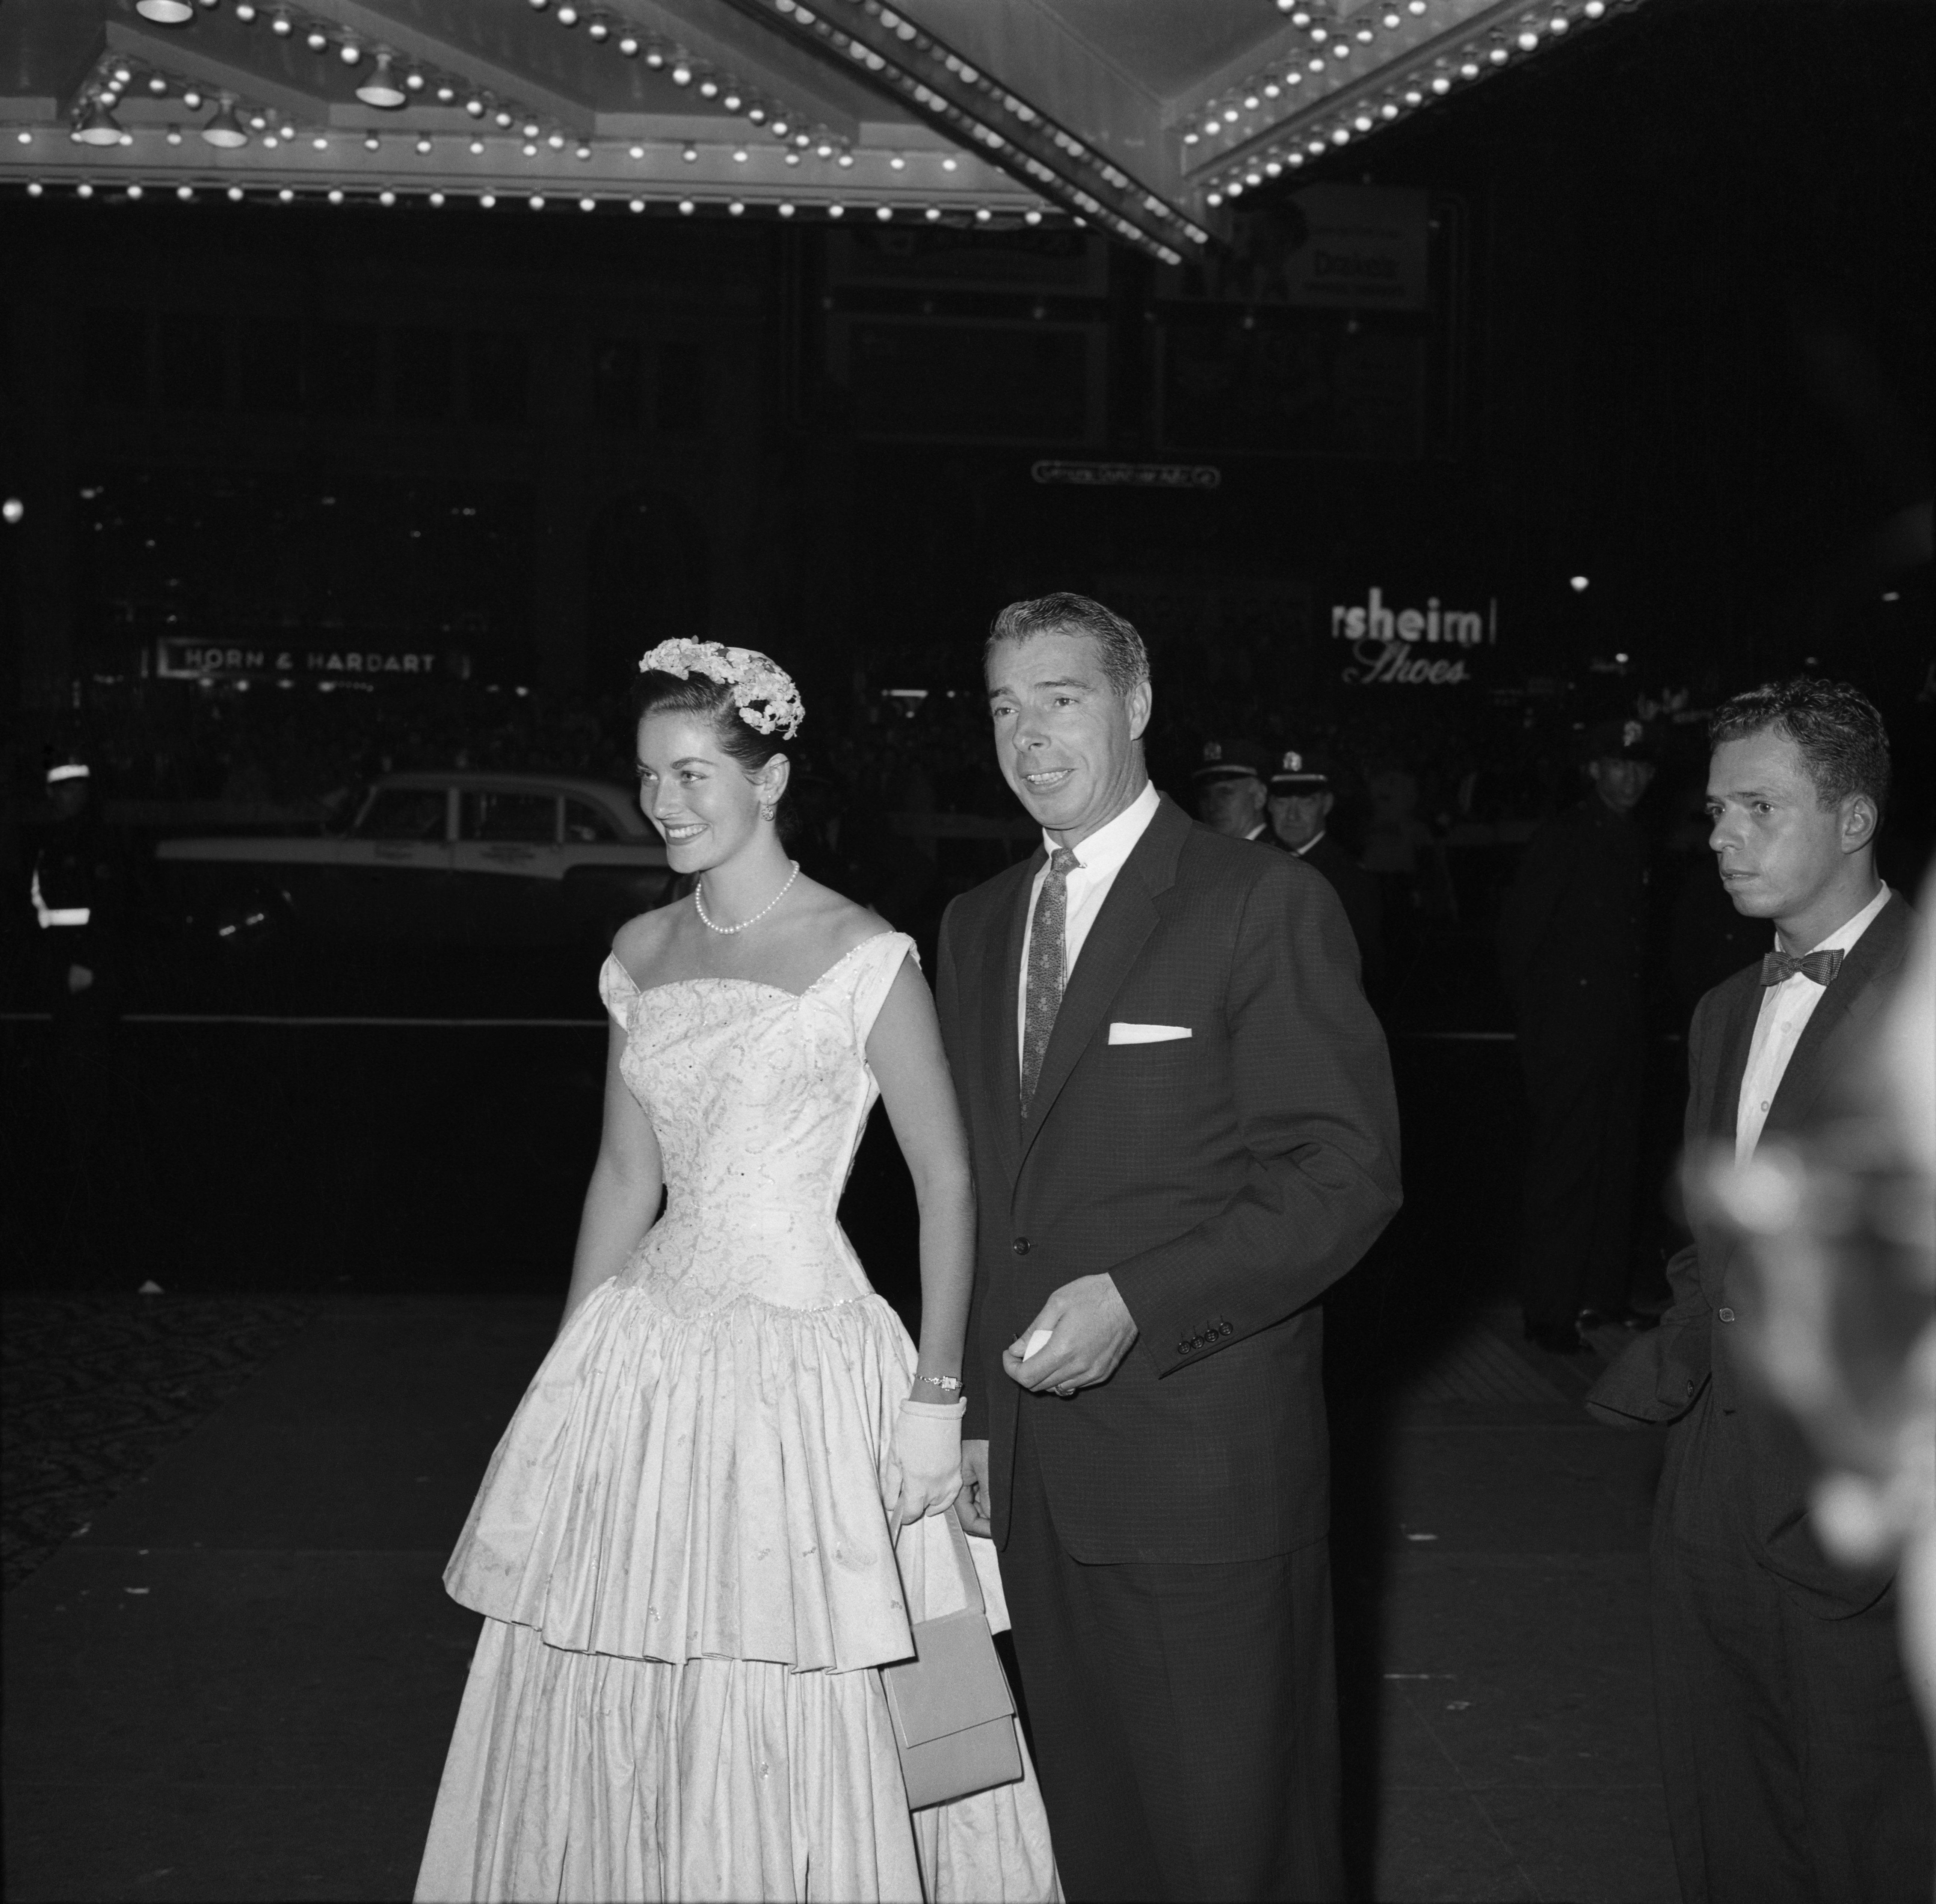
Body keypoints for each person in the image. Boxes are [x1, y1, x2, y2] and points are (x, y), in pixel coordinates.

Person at [416, 641, 1058, 1903]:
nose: (665, 800)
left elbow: (949, 1178)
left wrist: (939, 1393)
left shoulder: (859, 948)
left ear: (770, 780)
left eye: (695, 771)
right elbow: (621, 1178)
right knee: (621, 1641)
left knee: (840, 1648)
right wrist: (565, 1370)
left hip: (805, 1351)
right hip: (647, 1347)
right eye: (651, 774)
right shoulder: (640, 946)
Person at [936, 594, 1401, 1902]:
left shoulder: (1257, 902)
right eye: (1003, 705)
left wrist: (1140, 1297)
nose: (1028, 733)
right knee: (1094, 1840)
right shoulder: (976, 922)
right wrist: (975, 1411)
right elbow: (986, 1193)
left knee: (1230, 1840)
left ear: (1137, 705)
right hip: (1031, 1472)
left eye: (1062, 695)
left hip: (1201, 1471)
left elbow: (1344, 1171)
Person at [1587, 677, 1932, 1904]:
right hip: (1713, 1497)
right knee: (1724, 1816)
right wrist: (1674, 1366)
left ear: (1852, 818)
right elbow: (1707, 1240)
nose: (1720, 833)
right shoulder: (1724, 1009)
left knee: (1871, 1826)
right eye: (1715, 808)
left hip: (1869, 1516)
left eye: (1756, 806)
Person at [1497, 716, 1661, 1352]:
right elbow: (1519, 939)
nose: (1629, 778)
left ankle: (1603, 1298)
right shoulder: (1566, 836)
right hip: (1568, 1035)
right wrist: (1539, 1034)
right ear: (1593, 769)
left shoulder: (1632, 837)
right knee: (1563, 1175)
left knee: (1615, 1167)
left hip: (1618, 1033)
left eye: (1639, 767)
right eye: (1616, 765)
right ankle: (1548, 1311)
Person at [29, 756, 122, 1283]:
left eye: (74, 790)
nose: (66, 798)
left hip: (83, 967)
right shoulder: (56, 838)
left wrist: (89, 960)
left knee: (86, 1053)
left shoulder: (93, 840)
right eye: (59, 791)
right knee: (69, 1050)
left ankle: (88, 1130)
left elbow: (107, 903)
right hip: (59, 962)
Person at [1267, 747, 1386, 998]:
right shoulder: (1256, 865)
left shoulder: (1351, 880)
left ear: (1327, 804)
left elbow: (1367, 972)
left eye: (1306, 801)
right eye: (1283, 801)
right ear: (1269, 805)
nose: (1292, 814)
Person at [1191, 737, 1275, 841]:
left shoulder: (1278, 856)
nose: (1212, 807)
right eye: (1205, 796)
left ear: (1259, 797)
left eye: (1226, 793)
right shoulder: (1208, 854)